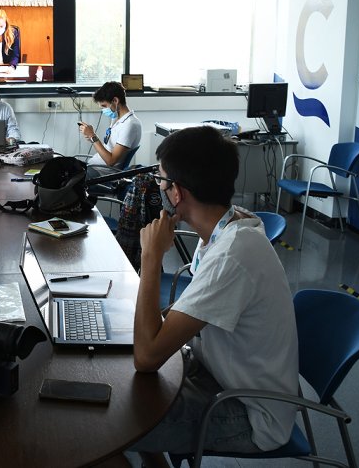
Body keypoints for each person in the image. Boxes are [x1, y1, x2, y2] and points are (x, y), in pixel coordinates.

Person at [128, 126, 299, 460]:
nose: (160, 189)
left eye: (162, 182)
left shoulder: (232, 255)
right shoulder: (227, 229)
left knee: (114, 426)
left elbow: (146, 357)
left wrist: (151, 259)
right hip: (217, 373)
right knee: (129, 393)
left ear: (176, 193)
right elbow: (187, 313)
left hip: (248, 412)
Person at [78, 81, 142, 182]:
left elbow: (111, 161)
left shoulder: (130, 125)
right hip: (95, 166)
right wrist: (91, 138)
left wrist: (93, 136)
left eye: (104, 106)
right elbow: (109, 148)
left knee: (66, 178)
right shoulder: (118, 119)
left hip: (104, 173)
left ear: (115, 100)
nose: (103, 110)